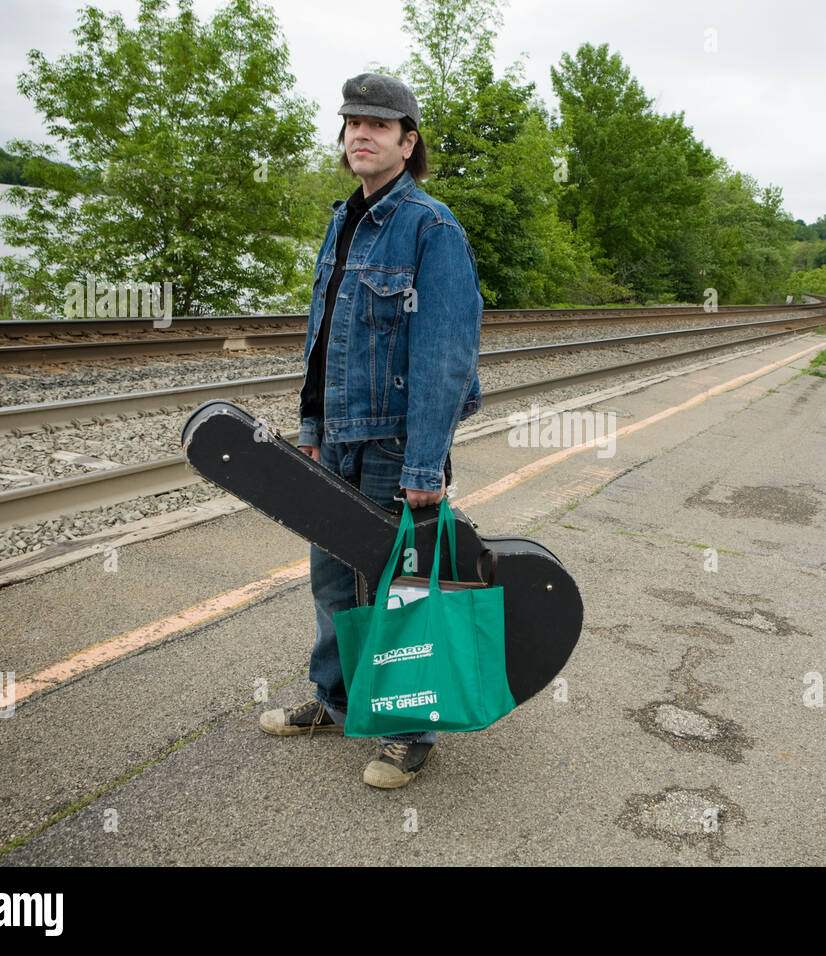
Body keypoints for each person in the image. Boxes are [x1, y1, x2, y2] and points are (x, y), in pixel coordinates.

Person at [258, 73, 483, 789]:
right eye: (353, 121)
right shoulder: (345, 217)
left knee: (402, 586)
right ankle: (338, 697)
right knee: (330, 577)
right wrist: (312, 424)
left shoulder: (431, 227)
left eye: (380, 125)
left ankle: (410, 730)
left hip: (394, 444)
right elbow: (323, 337)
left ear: (407, 141)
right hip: (340, 436)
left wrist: (424, 464)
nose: (362, 132)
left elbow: (445, 354)